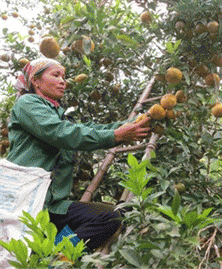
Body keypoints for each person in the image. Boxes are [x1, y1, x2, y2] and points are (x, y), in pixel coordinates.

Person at [6, 58, 151, 251]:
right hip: (26, 200)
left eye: (64, 76)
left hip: (52, 206)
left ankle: (57, 257)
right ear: (35, 80)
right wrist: (114, 136)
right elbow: (61, 133)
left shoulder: (60, 116)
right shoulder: (27, 103)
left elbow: (85, 129)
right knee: (108, 215)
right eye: (55, 75)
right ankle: (53, 260)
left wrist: (129, 125)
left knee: (111, 215)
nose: (63, 81)